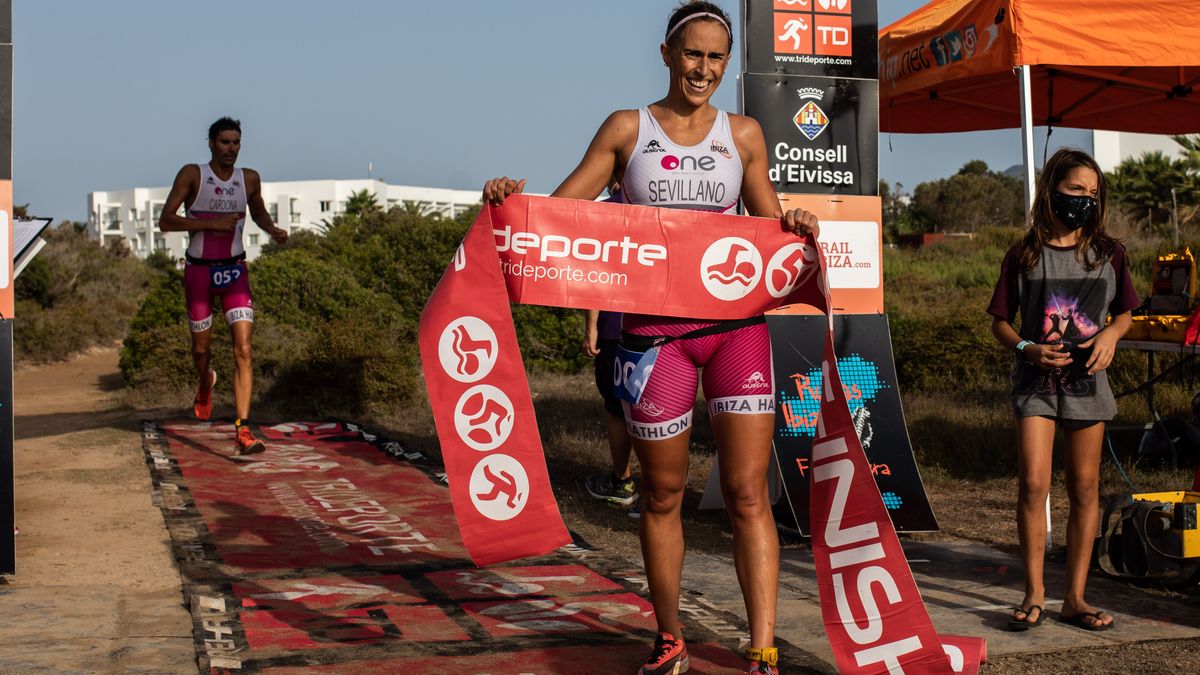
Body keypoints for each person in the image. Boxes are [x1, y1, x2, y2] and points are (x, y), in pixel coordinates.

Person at [484, 3, 817, 673]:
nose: (703, 69)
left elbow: (769, 229)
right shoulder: (628, 128)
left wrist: (797, 222)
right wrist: (505, 203)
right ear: (667, 54)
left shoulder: (744, 133)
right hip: (654, 339)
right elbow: (560, 214)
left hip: (737, 334)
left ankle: (763, 649)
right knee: (663, 495)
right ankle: (669, 637)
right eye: (692, 54)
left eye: (716, 58)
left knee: (748, 495)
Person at [987, 147, 1138, 632]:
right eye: (1076, 190)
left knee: (1085, 487)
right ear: (1051, 188)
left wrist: (1112, 335)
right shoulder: (1024, 253)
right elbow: (999, 323)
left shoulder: (1110, 253)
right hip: (1035, 384)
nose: (1085, 200)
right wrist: (1027, 348)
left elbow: (1126, 314)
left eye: (1093, 193)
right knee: (1033, 483)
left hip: (1089, 386)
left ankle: (1075, 597)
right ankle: (1034, 592)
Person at [159, 117, 289, 455]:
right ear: (211, 144)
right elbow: (165, 220)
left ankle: (243, 430)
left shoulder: (249, 179)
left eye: (236, 142)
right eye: (224, 142)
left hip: (235, 272)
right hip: (199, 273)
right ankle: (205, 384)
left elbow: (257, 211)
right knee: (201, 350)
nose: (231, 149)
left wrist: (272, 230)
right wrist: (210, 224)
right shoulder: (192, 174)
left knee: (244, 349)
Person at [584, 182, 639, 514]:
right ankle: (662, 487)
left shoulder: (604, 210)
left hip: (614, 326)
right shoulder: (670, 205)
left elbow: (596, 273)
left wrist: (590, 325)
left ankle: (622, 481)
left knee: (617, 408)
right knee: (650, 406)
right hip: (666, 327)